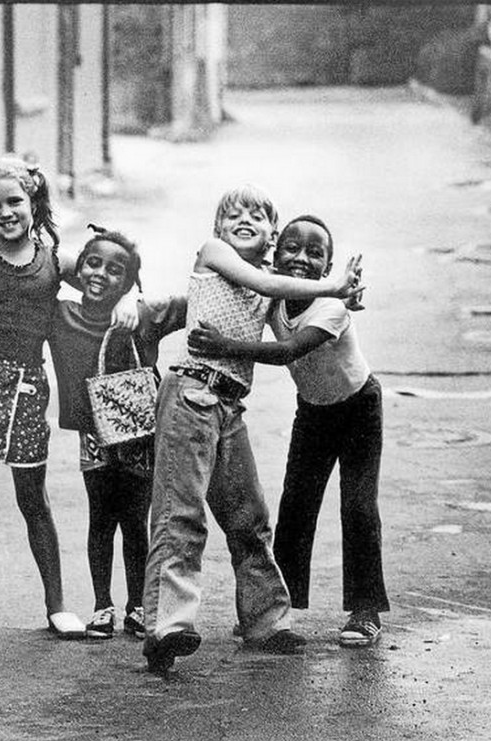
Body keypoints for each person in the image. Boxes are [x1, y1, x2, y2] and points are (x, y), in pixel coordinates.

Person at [0, 156, 138, 645]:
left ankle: (56, 604)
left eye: (15, 201)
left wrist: (125, 300)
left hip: (30, 391)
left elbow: (106, 279)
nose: (6, 212)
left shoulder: (57, 262)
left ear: (34, 202)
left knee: (34, 499)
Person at [142, 185, 363, 674]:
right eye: (232, 215)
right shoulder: (215, 254)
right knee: (181, 516)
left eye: (258, 217)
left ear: (270, 237)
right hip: (191, 395)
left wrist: (346, 295)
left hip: (228, 405)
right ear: (217, 229)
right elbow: (268, 288)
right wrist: (332, 286)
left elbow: (289, 301)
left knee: (249, 517)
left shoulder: (267, 281)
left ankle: (266, 621)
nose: (243, 220)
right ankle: (167, 628)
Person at [188, 214, 388, 647]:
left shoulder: (331, 307)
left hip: (358, 409)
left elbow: (287, 351)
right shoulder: (274, 297)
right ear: (275, 252)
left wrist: (225, 347)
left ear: (329, 267)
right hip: (313, 410)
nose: (301, 259)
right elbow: (234, 298)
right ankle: (276, 608)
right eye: (292, 249)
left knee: (358, 506)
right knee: (296, 505)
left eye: (315, 254)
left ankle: (365, 609)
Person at [48, 225, 187, 640]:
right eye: (93, 264)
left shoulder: (141, 317)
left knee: (134, 520)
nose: (100, 275)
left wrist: (134, 299)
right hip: (93, 436)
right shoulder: (61, 316)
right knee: (100, 519)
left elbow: (192, 302)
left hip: (140, 438)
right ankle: (102, 605)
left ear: (129, 280)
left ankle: (138, 605)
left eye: (115, 271)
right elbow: (47, 265)